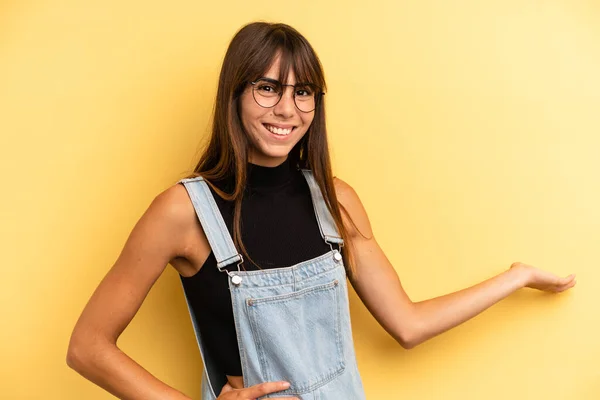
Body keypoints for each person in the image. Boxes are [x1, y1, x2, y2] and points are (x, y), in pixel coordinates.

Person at [66, 21, 577, 400]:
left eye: (302, 92)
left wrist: (517, 277)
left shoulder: (336, 200)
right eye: (268, 88)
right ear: (235, 94)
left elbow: (408, 325)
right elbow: (88, 346)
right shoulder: (183, 211)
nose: (287, 110)